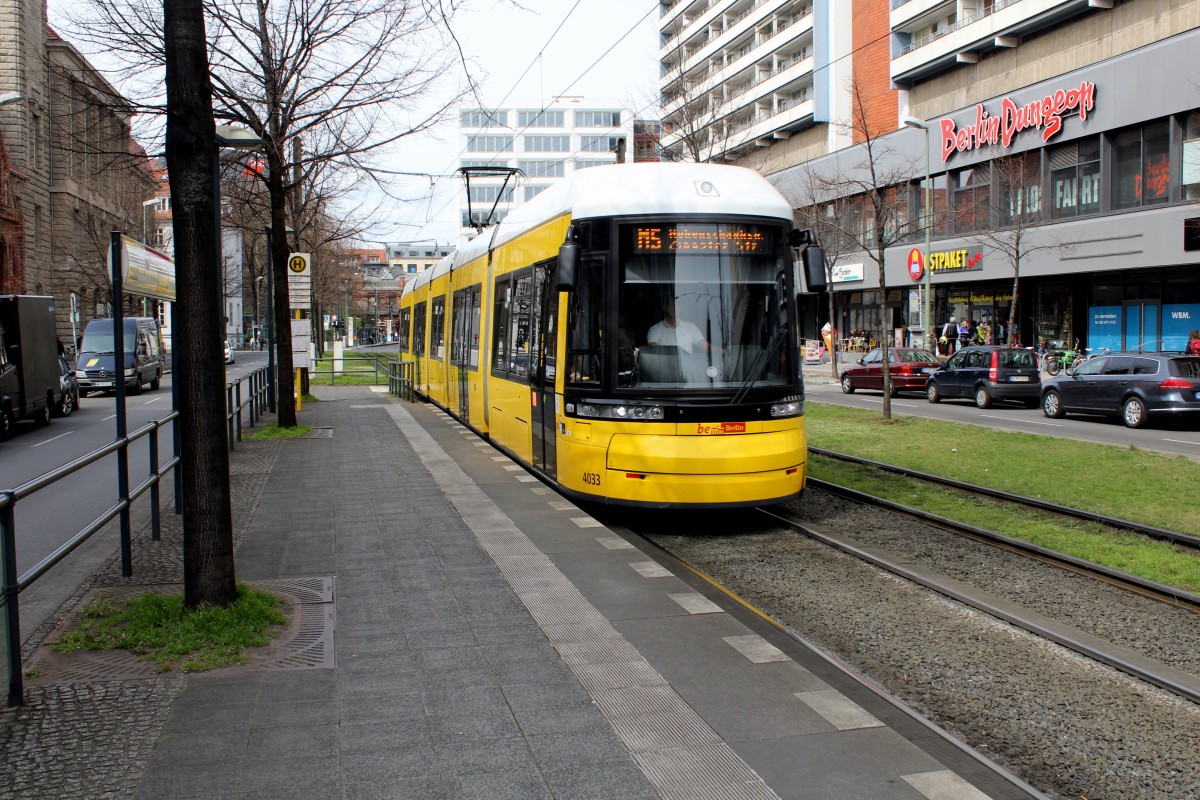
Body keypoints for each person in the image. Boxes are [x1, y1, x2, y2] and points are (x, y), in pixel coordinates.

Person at [647, 296, 714, 353]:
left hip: (687, 367)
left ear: (681, 308)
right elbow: (653, 350)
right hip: (665, 367)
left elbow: (705, 346)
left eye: (677, 305)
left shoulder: (691, 327)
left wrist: (721, 351)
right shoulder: (655, 329)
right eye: (672, 305)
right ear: (665, 308)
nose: (674, 308)